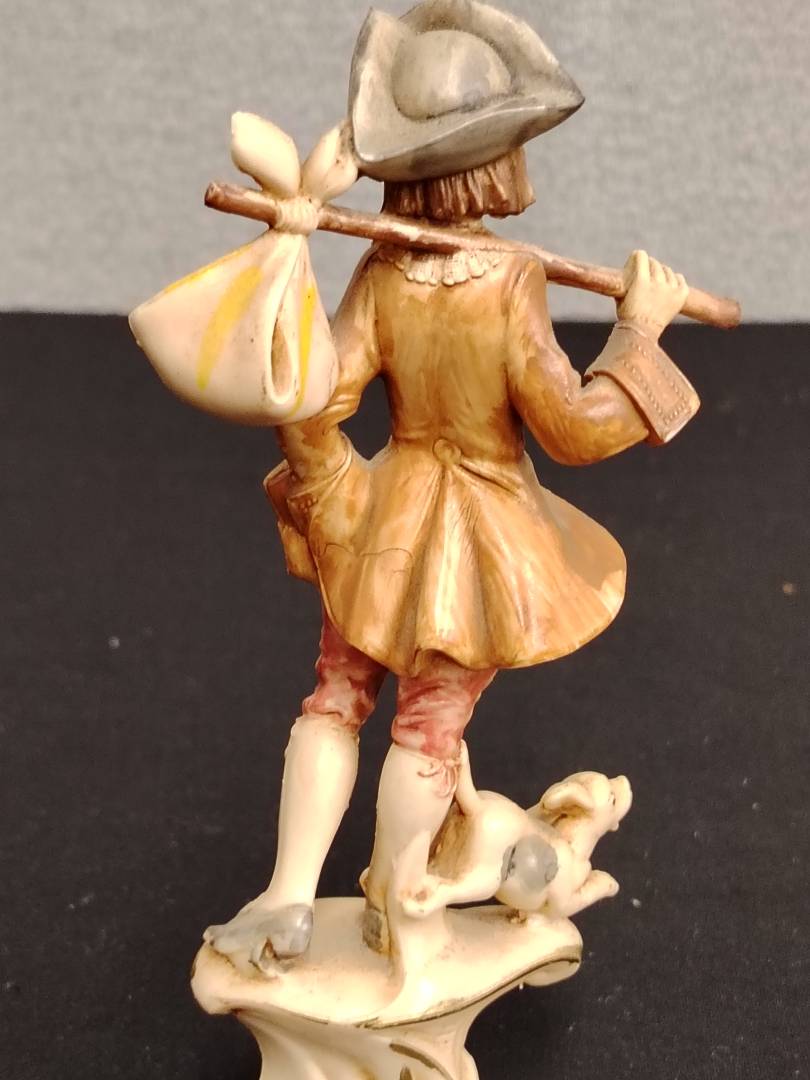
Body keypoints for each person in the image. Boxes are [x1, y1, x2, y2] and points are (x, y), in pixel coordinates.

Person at [205, 0, 700, 972]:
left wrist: (332, 490)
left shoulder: (382, 273)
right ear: (496, 159)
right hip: (475, 541)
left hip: (380, 524)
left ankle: (290, 893)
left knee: (333, 697)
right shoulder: (509, 279)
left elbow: (314, 396)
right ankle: (404, 911)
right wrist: (639, 334)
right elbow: (573, 427)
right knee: (428, 729)